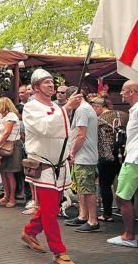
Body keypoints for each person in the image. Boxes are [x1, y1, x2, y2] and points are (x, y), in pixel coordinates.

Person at [21, 68, 82, 264]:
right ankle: (59, 252)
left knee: (53, 207)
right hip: (44, 166)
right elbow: (45, 128)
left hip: (60, 165)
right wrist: (68, 108)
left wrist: (69, 152)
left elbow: (65, 132)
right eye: (46, 82)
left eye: (51, 81)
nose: (51, 84)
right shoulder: (31, 108)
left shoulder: (57, 107)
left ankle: (29, 231)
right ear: (36, 87)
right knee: (49, 210)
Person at [64, 86, 100, 233]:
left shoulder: (82, 110)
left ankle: (93, 221)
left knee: (87, 189)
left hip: (85, 156)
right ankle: (83, 216)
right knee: (82, 187)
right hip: (83, 156)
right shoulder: (84, 109)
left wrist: (72, 151)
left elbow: (81, 135)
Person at [107, 80, 138, 248]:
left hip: (134, 160)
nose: (121, 94)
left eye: (124, 90)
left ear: (132, 92)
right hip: (132, 158)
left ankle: (129, 235)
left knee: (122, 197)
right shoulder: (134, 110)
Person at [90, 96, 128, 223]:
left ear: (98, 107)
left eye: (93, 108)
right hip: (124, 154)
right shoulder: (123, 114)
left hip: (107, 156)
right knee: (126, 185)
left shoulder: (98, 120)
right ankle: (128, 212)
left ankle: (107, 214)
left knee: (105, 185)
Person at [0, 97, 23, 208]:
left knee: (9, 173)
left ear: (4, 105)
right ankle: (6, 195)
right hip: (4, 147)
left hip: (12, 146)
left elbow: (7, 133)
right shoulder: (3, 118)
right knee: (4, 172)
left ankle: (12, 198)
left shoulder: (11, 116)